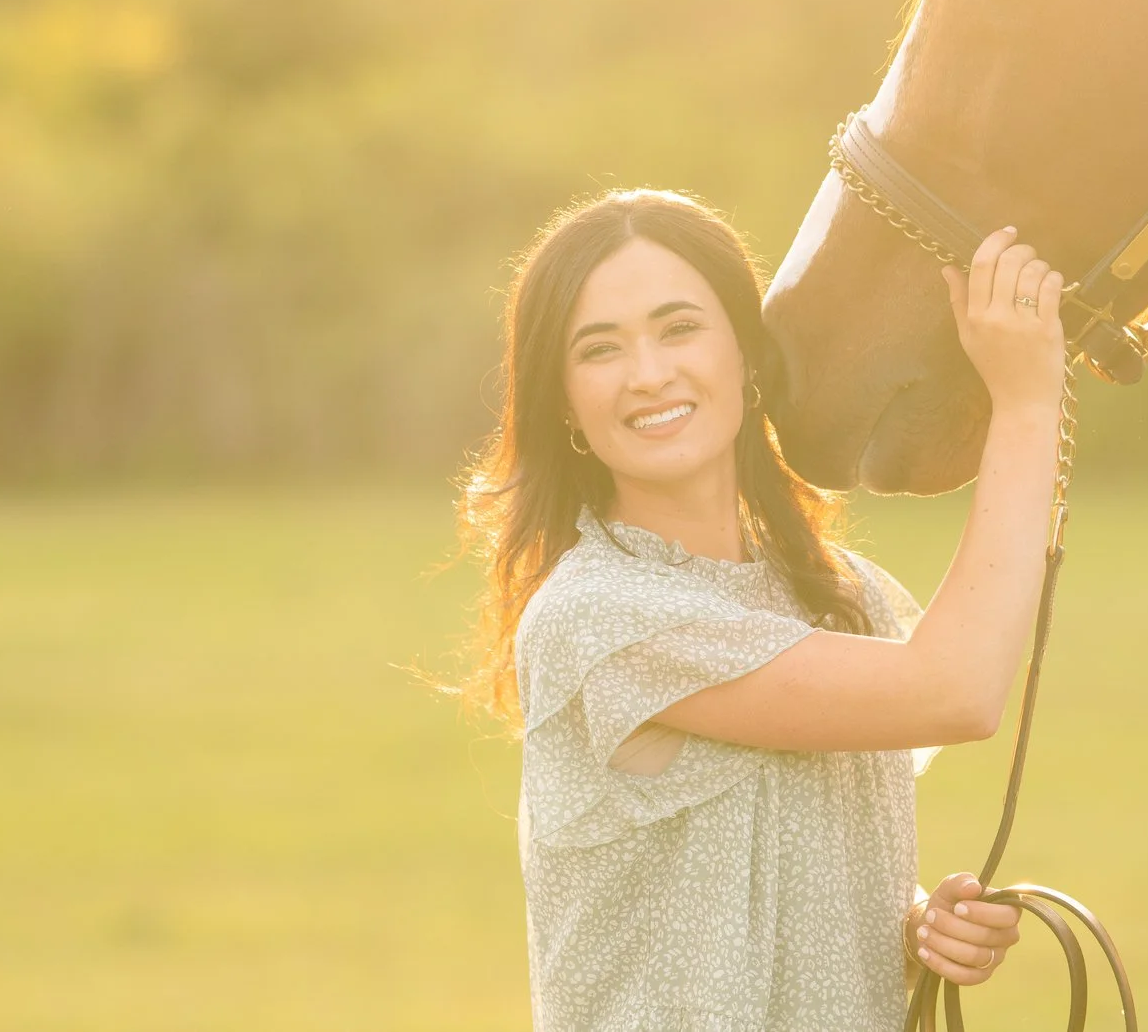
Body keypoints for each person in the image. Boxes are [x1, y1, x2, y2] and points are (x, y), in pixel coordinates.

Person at [459, 187, 1072, 1030]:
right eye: (599, 348)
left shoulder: (838, 592)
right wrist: (1028, 403)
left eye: (679, 328)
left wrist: (913, 923)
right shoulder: (598, 612)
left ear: (747, 354)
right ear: (563, 398)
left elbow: (779, 866)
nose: (649, 373)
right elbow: (957, 689)